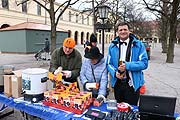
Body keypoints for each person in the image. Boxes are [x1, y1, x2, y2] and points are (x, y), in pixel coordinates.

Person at [106, 22, 148, 105]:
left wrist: (128, 66)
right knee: (119, 108)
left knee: (131, 110)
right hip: (118, 83)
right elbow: (108, 64)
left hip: (132, 84)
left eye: (125, 29)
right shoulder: (112, 46)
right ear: (117, 32)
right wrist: (115, 73)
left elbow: (144, 63)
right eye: (120, 30)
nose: (123, 31)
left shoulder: (139, 45)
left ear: (129, 31)